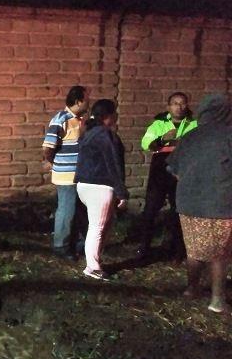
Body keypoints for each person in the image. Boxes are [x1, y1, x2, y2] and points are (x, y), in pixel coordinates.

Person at [166, 93, 232, 313]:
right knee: (219, 254)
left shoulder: (190, 136)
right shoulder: (229, 136)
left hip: (188, 203)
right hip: (219, 204)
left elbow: (174, 170)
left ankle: (191, 289)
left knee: (193, 249)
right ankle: (217, 300)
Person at [136, 93, 198, 261]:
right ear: (169, 107)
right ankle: (144, 248)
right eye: (175, 103)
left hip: (182, 170)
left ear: (187, 105)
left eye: (182, 103)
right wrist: (162, 140)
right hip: (160, 170)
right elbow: (145, 143)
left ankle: (177, 250)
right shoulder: (159, 123)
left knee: (179, 211)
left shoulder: (194, 124)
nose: (179, 107)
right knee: (151, 209)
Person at [74, 99, 128, 280]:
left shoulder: (88, 133)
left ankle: (94, 263)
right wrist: (121, 192)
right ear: (109, 115)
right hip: (100, 187)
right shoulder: (106, 135)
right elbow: (113, 165)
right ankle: (93, 267)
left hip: (84, 185)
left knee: (98, 226)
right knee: (97, 228)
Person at [42, 85, 90, 260]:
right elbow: (48, 148)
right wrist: (57, 163)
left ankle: (77, 243)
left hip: (79, 174)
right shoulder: (60, 119)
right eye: (87, 99)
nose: (89, 102)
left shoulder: (80, 120)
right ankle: (60, 246)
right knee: (66, 210)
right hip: (66, 175)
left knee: (78, 211)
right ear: (78, 101)